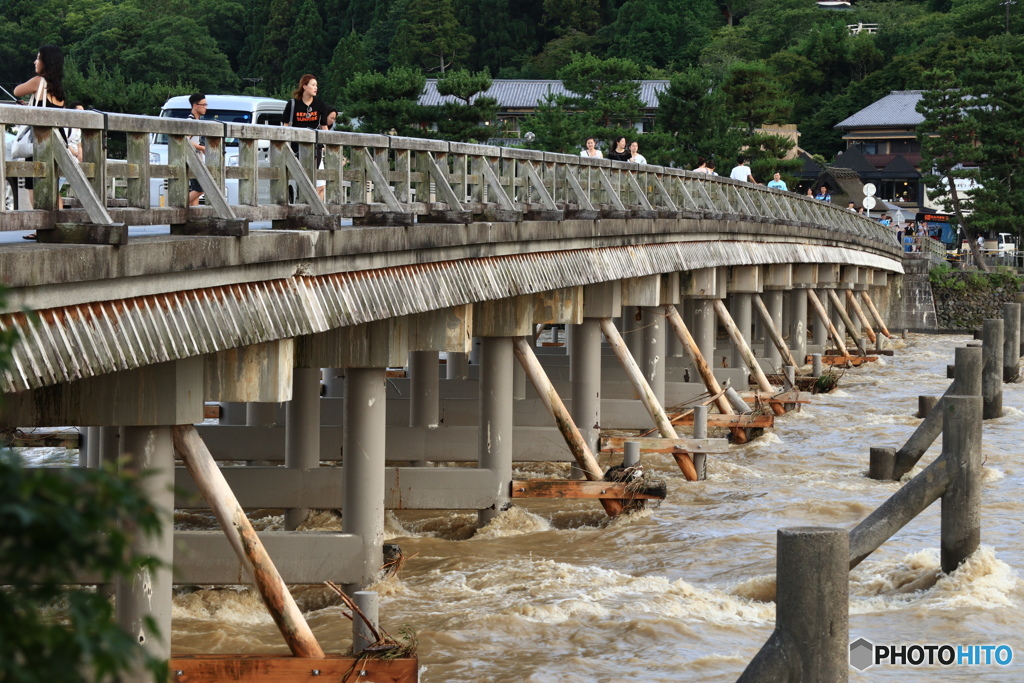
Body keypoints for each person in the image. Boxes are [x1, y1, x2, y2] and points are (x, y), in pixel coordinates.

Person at [14, 45, 66, 238]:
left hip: (38, 144)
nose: (35, 62)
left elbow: (17, 90)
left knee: (33, 185)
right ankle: (59, 226)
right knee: (53, 186)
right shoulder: (58, 87)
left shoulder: (38, 81)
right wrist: (31, 105)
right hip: (57, 142)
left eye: (38, 58)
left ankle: (39, 227)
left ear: (46, 62)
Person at [282, 74, 329, 168]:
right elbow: (285, 126)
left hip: (315, 145)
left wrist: (327, 145)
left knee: (314, 175)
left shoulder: (320, 104)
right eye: (313, 85)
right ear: (304, 86)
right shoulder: (292, 104)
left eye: (316, 85)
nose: (316, 88)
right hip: (296, 145)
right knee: (300, 176)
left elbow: (324, 126)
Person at [186, 94, 207, 207]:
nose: (206, 107)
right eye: (203, 105)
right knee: (201, 188)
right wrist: (201, 148)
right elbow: (186, 140)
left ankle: (194, 216)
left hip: (196, 158)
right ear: (195, 105)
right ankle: (177, 206)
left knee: (196, 188)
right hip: (192, 158)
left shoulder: (197, 120)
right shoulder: (191, 121)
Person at [316, 107, 339, 201]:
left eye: (334, 119)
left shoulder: (327, 128)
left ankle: (319, 208)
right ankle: (312, 207)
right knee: (318, 185)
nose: (332, 121)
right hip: (314, 154)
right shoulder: (316, 125)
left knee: (322, 186)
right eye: (331, 118)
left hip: (320, 155)